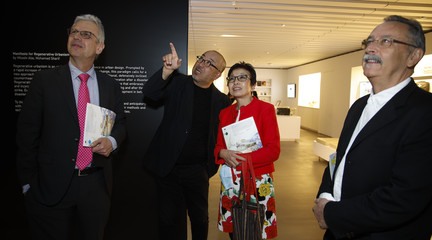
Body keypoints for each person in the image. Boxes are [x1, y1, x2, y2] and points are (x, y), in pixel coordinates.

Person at [313, 15, 432, 240]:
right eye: (369, 41)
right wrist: (325, 196)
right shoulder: (359, 106)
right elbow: (340, 158)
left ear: (413, 56)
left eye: (386, 41)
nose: (371, 48)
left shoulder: (425, 113)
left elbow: (403, 198)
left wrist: (331, 213)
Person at [16, 14, 126, 240]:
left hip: (95, 186)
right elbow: (26, 135)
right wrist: (28, 184)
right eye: (74, 32)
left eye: (86, 34)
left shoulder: (110, 86)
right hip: (49, 186)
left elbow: (121, 125)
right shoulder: (44, 81)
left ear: (99, 47)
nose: (77, 37)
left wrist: (112, 141)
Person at [142, 43, 231, 240]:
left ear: (217, 75)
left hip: (198, 170)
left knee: (199, 218)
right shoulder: (177, 83)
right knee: (167, 219)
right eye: (201, 58)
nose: (201, 64)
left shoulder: (221, 101)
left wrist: (209, 166)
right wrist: (166, 71)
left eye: (209, 63)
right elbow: (149, 93)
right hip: (168, 167)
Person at [214, 62, 280, 239]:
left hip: (258, 179)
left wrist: (241, 157)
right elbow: (218, 146)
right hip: (231, 179)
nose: (236, 82)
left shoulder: (265, 110)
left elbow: (273, 151)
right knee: (235, 229)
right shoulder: (224, 113)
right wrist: (223, 153)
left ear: (252, 84)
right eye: (232, 79)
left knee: (255, 228)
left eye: (242, 77)